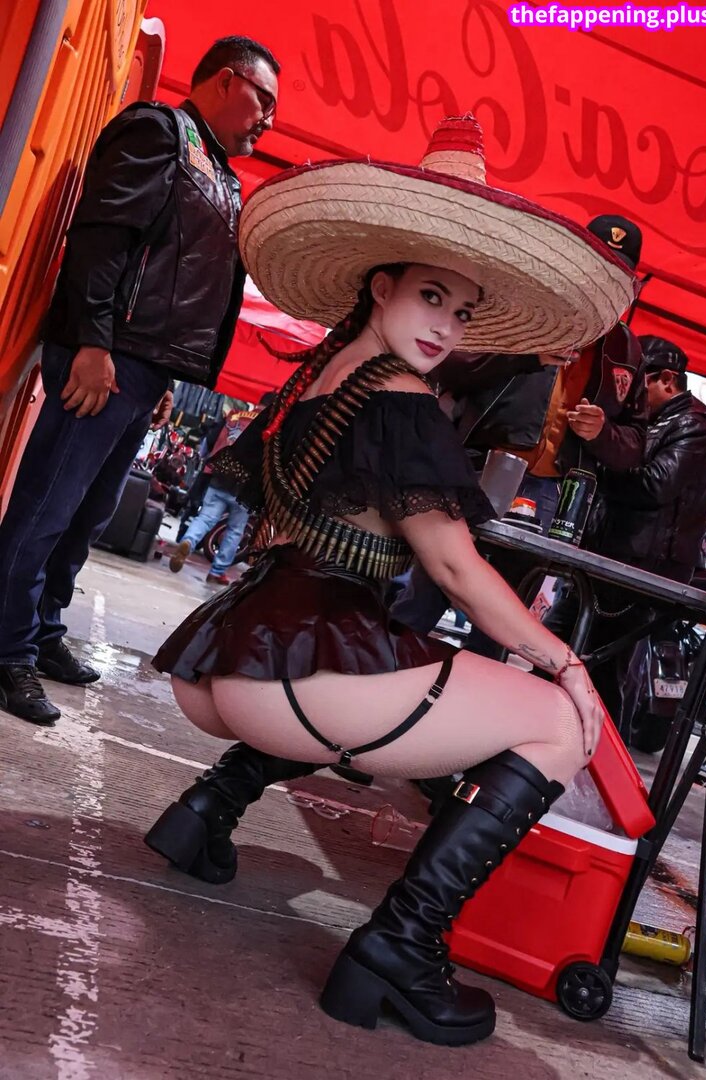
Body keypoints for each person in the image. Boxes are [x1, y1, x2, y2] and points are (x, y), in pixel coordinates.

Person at [143, 115, 634, 1046]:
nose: (446, 325)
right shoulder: (403, 400)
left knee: (396, 667)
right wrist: (565, 662)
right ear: (382, 285)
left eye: (463, 310)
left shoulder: (323, 375)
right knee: (557, 723)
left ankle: (209, 806)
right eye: (431, 297)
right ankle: (400, 945)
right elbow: (453, 565)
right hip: (291, 680)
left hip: (222, 659)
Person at [0, 36, 280, 725]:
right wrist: (94, 343)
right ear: (224, 81)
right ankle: (6, 651)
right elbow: (101, 238)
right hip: (109, 355)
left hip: (145, 363)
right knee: (46, 509)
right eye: (263, 99)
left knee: (88, 514)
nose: (269, 119)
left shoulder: (217, 169)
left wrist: (166, 376)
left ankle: (40, 630)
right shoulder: (159, 131)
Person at [437, 214, 647, 532]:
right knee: (446, 555)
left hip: (555, 491)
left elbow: (636, 443)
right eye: (599, 268)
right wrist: (528, 356)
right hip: (481, 464)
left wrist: (602, 432)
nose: (605, 283)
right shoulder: (528, 306)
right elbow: (453, 365)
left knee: (520, 566)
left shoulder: (627, 348)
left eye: (617, 276)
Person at [553, 334, 706, 734]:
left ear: (667, 379)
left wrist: (600, 461)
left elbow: (655, 486)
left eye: (639, 381)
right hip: (614, 558)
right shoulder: (649, 422)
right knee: (572, 651)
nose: (630, 394)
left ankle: (599, 755)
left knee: (601, 666)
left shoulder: (694, 425)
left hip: (644, 569)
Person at [167, 406, 258, 584]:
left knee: (205, 518)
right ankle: (217, 572)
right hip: (244, 486)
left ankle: (188, 542)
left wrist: (206, 462)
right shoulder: (270, 424)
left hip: (219, 476)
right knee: (235, 530)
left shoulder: (233, 415)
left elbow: (209, 440)